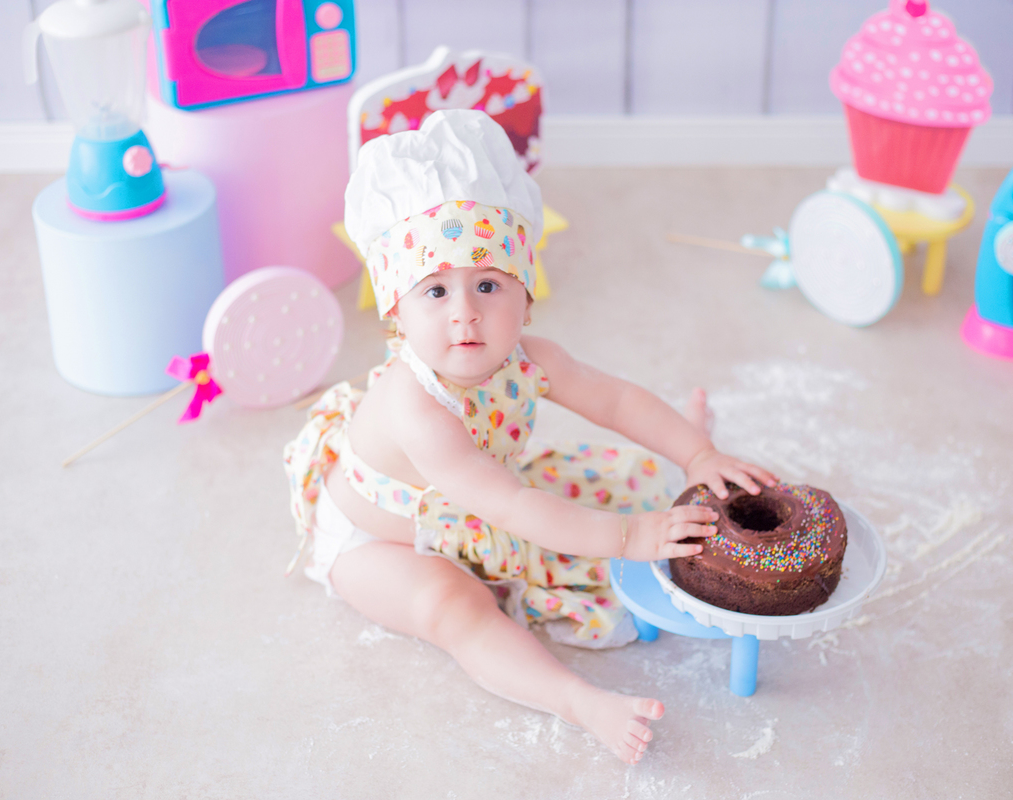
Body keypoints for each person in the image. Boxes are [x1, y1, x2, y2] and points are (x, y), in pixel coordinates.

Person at [284, 110, 776, 764]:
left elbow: (614, 398)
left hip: (479, 493)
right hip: (376, 540)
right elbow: (513, 509)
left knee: (606, 472)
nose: (465, 311)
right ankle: (578, 700)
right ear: (396, 312)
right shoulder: (416, 407)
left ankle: (678, 451)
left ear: (526, 293)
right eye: (434, 289)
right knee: (452, 606)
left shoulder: (530, 357)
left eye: (488, 283)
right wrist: (632, 537)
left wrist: (693, 450)